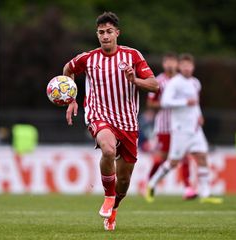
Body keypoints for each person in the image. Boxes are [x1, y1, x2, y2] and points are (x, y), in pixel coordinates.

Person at [63, 12, 158, 231]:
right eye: (100, 32)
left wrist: (134, 80)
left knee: (123, 183)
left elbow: (154, 85)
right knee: (107, 149)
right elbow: (68, 69)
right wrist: (71, 99)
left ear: (117, 33)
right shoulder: (88, 58)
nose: (105, 36)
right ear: (97, 35)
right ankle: (108, 196)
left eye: (108, 32)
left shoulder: (132, 56)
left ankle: (114, 207)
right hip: (99, 116)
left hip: (128, 124)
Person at [145, 53, 222, 204]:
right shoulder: (174, 83)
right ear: (180, 67)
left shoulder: (195, 83)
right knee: (172, 161)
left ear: (193, 67)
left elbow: (196, 103)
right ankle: (152, 183)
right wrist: (185, 102)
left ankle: (205, 194)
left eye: (189, 65)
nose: (187, 68)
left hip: (194, 128)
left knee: (202, 157)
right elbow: (166, 102)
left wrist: (199, 115)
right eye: (184, 65)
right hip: (179, 129)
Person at [145, 53, 197, 202]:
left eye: (173, 62)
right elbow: (150, 103)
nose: (170, 65)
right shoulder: (159, 81)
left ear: (177, 64)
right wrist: (167, 103)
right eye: (167, 62)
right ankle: (150, 183)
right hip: (164, 126)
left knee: (185, 156)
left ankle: (188, 188)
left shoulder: (184, 81)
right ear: (163, 64)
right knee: (161, 158)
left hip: (181, 125)